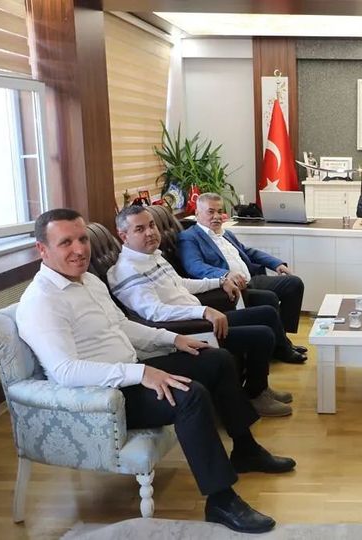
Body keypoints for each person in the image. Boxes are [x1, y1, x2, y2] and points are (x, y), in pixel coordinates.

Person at [16, 209, 297, 534]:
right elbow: (66, 371)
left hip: (131, 369)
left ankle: (246, 450)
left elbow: (122, 325)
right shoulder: (42, 301)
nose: (79, 249)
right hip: (104, 398)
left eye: (82, 239)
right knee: (190, 396)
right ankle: (221, 500)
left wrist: (172, 339)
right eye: (66, 242)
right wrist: (142, 375)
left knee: (215, 360)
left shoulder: (89, 281)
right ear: (42, 249)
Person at [108, 205, 302, 416]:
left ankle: (260, 387)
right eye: (140, 229)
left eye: (152, 225)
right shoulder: (127, 270)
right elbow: (154, 313)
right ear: (123, 236)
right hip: (188, 330)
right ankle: (256, 395)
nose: (150, 232)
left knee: (266, 313)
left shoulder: (152, 256)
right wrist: (202, 312)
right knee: (262, 335)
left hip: (199, 317)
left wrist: (219, 281)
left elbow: (181, 284)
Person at [179, 193, 307, 345]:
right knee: (269, 297)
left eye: (220, 211)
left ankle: (283, 337)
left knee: (294, 283)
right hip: (233, 287)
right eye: (211, 212)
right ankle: (283, 346)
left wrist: (276, 264)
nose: (217, 216)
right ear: (197, 213)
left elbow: (248, 252)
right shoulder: (189, 237)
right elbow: (195, 266)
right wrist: (225, 274)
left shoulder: (226, 234)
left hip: (251, 279)